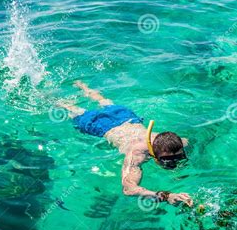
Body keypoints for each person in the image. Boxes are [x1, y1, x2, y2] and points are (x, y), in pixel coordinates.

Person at [58, 81, 193, 206]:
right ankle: (47, 95)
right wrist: (166, 196)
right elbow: (129, 189)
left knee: (105, 102)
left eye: (179, 157)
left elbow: (188, 142)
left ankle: (82, 85)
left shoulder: (180, 142)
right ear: (153, 152)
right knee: (73, 109)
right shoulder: (137, 154)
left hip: (127, 117)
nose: (174, 163)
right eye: (167, 160)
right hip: (102, 126)